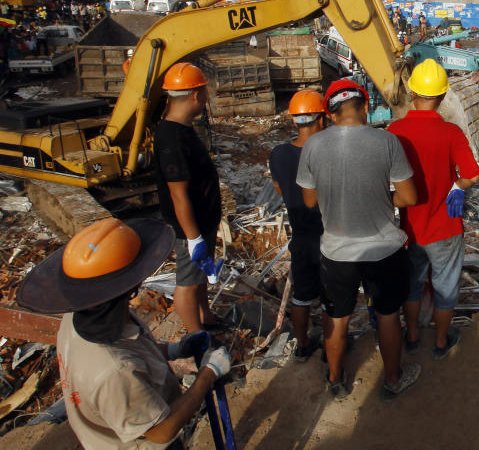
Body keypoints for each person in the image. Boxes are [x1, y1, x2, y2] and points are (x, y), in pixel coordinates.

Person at [16, 218, 232, 450]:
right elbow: (161, 431)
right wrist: (208, 374)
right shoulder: (114, 371)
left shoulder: (81, 317)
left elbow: (135, 350)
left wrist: (173, 350)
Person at [296, 78, 421, 400]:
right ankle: (393, 379)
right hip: (383, 249)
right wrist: (381, 198)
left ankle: (335, 379)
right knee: (388, 315)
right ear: (365, 107)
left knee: (336, 318)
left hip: (337, 252)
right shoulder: (387, 142)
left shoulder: (313, 146)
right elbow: (407, 196)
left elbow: (310, 201)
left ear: (331, 114)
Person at [387, 60, 479, 360]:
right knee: (445, 287)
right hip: (445, 229)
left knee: (413, 286)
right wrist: (456, 187)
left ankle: (413, 336)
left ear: (411, 92)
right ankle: (441, 342)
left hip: (410, 229)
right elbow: (472, 174)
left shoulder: (395, 130)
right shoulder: (451, 133)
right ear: (441, 97)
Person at [154, 63, 223, 333]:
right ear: (195, 95)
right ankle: (197, 338)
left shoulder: (182, 129)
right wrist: (193, 239)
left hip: (202, 221)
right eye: (205, 94)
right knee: (188, 283)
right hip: (189, 227)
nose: (206, 99)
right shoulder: (171, 138)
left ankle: (206, 317)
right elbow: (178, 194)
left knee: (200, 277)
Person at [270, 90, 328, 362]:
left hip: (301, 235)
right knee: (331, 299)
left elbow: (280, 188)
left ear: (295, 121)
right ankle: (332, 347)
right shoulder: (327, 153)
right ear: (321, 119)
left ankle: (303, 345)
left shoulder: (279, 155)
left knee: (302, 296)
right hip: (329, 237)